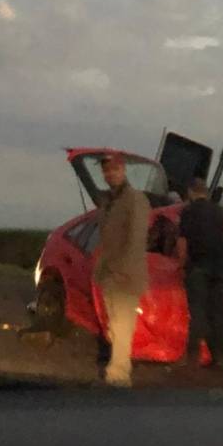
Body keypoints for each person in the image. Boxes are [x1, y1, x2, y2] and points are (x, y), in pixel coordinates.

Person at [93, 153, 151, 387]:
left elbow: (136, 239)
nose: (110, 174)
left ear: (123, 170)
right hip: (109, 273)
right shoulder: (109, 201)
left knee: (122, 326)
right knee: (114, 325)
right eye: (106, 171)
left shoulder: (135, 199)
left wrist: (121, 270)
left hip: (125, 275)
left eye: (114, 170)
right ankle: (118, 370)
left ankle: (118, 376)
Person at [177, 178, 223, 367]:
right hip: (220, 267)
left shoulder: (188, 211)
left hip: (199, 266)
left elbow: (182, 242)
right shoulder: (219, 211)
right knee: (218, 311)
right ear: (206, 192)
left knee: (198, 310)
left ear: (191, 192)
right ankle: (219, 357)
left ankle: (193, 356)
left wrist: (180, 265)